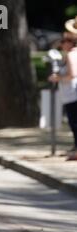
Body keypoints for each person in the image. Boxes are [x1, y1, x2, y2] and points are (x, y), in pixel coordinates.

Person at [49, 23, 77, 161]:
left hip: (72, 93)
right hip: (72, 93)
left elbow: (73, 74)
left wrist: (57, 78)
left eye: (64, 41)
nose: (61, 44)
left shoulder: (72, 55)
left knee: (74, 123)